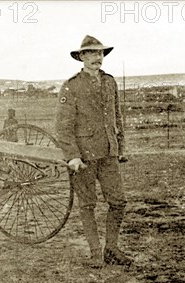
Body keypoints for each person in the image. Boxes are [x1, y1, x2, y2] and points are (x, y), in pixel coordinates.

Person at [55, 35, 132, 267]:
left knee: (118, 202)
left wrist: (120, 147)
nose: (97, 57)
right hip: (85, 157)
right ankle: (95, 252)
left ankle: (111, 248)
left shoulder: (110, 82)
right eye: (91, 53)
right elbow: (63, 126)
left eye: (100, 53)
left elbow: (116, 116)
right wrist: (73, 156)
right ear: (82, 57)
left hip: (109, 153)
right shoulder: (72, 85)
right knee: (88, 205)